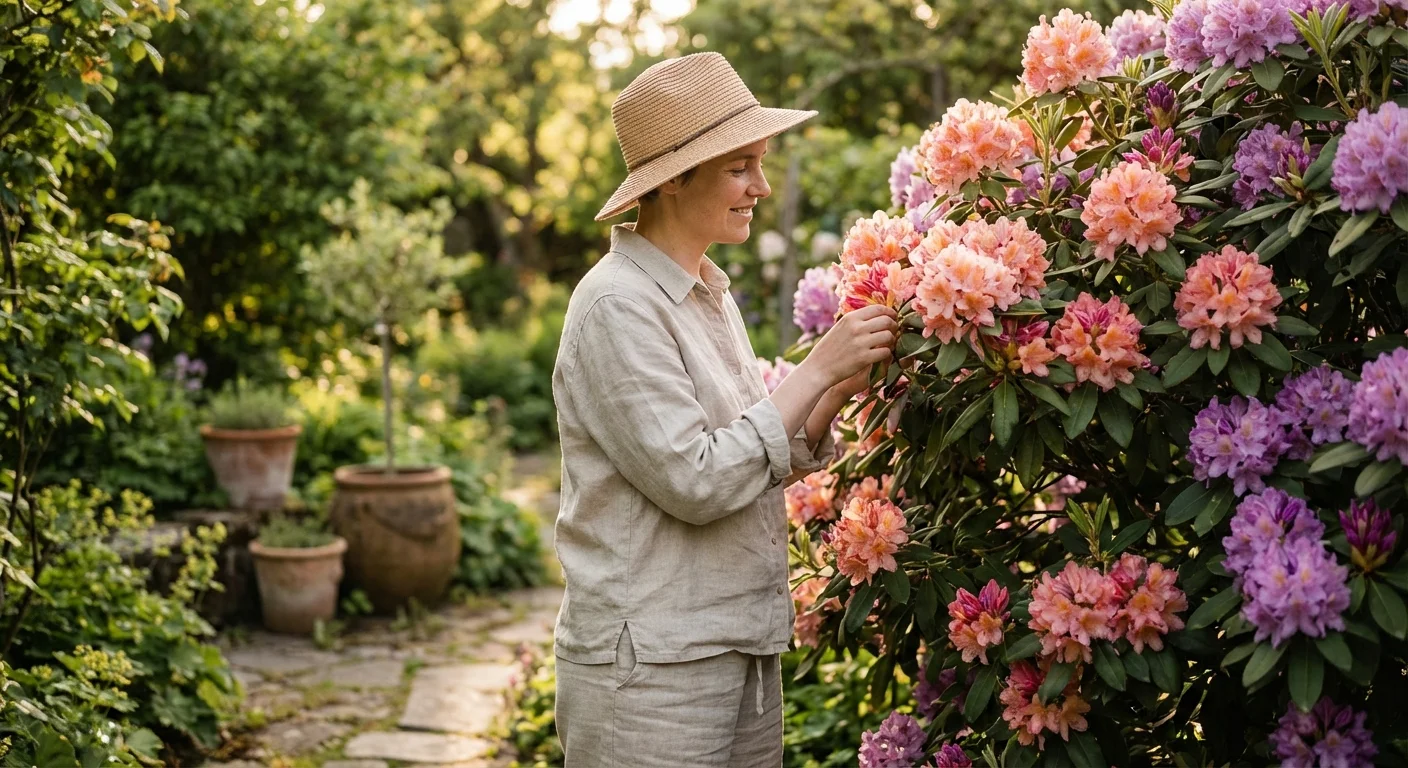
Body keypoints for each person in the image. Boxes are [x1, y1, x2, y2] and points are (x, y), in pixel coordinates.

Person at [550, 51, 899, 767]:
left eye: (761, 164)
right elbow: (697, 479)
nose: (760, 187)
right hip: (651, 675)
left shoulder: (706, 291)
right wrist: (816, 367)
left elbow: (749, 451)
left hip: (731, 647)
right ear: (675, 178)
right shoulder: (618, 305)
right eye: (740, 166)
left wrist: (835, 388)